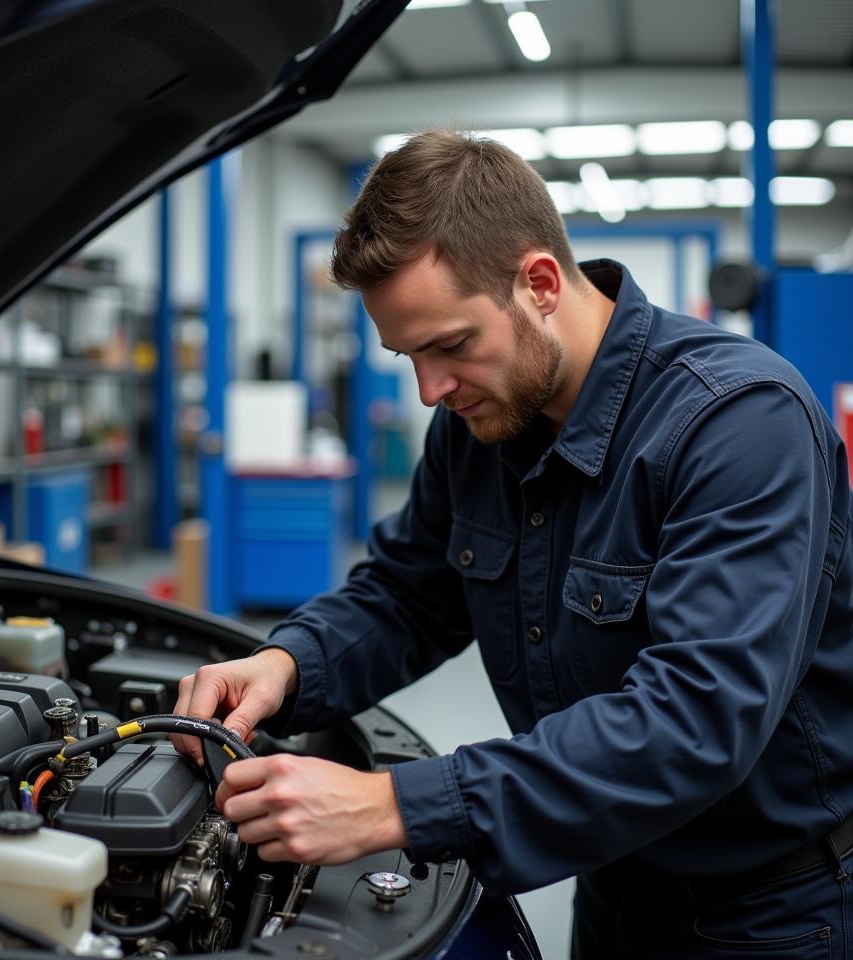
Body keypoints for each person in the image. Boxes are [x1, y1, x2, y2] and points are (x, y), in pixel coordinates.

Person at [171, 130, 853, 957]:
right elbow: (408, 590)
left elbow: (695, 721)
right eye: (407, 355)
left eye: (451, 345)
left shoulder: (738, 423)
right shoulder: (479, 423)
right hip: (616, 876)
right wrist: (287, 664)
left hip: (778, 911)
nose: (431, 389)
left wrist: (394, 806)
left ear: (537, 283)